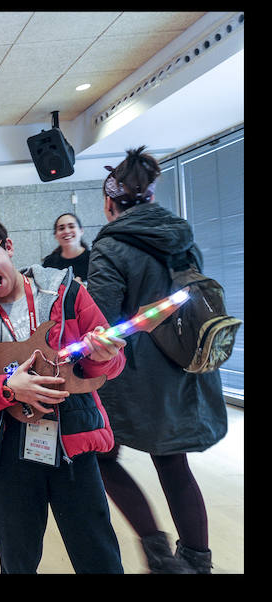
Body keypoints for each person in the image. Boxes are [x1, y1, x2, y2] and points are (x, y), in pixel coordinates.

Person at [0, 212, 127, 574]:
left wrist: (103, 357)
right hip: (7, 447)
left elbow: (113, 364)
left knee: (97, 552)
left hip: (73, 436)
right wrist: (8, 389)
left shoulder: (66, 292)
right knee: (18, 557)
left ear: (8, 247)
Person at [87, 146, 226, 574]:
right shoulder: (182, 237)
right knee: (173, 463)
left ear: (110, 204)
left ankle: (159, 554)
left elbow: (101, 320)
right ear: (149, 196)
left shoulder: (111, 247)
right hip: (184, 369)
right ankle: (197, 563)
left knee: (101, 456)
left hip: (135, 376)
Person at [42, 212, 91, 283]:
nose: (67, 231)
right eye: (61, 228)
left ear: (81, 231)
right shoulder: (49, 263)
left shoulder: (93, 260)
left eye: (71, 226)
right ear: (55, 235)